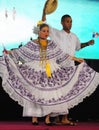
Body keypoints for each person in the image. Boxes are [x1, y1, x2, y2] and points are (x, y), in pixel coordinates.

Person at [0, 23, 99, 126]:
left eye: (47, 31)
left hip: (51, 70)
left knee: (51, 94)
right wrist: (10, 53)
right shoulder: (32, 43)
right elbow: (20, 53)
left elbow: (62, 54)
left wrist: (76, 58)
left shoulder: (51, 43)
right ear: (38, 32)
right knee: (36, 93)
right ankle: (35, 117)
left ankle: (47, 118)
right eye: (44, 31)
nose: (46, 33)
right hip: (36, 69)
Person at [41, 11, 95, 125]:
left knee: (67, 93)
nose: (69, 23)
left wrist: (88, 43)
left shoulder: (74, 36)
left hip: (70, 68)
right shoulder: (57, 33)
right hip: (58, 68)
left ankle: (64, 118)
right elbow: (44, 24)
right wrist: (44, 12)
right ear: (62, 22)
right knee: (54, 93)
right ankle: (51, 117)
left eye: (71, 22)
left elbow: (78, 47)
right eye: (67, 21)